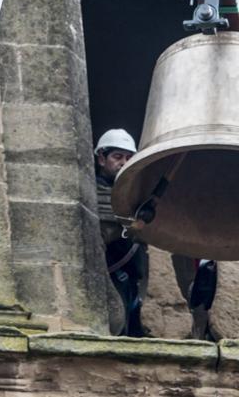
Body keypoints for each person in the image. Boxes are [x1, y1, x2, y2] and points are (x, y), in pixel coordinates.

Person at [94, 128, 147, 337]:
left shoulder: (138, 197)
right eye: (117, 156)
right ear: (101, 158)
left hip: (131, 280)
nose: (123, 163)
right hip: (110, 275)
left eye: (128, 158)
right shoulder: (92, 191)